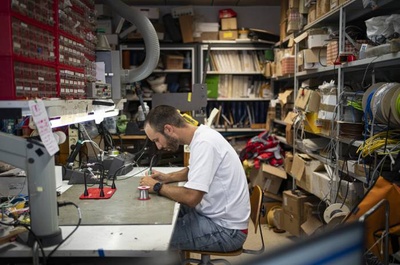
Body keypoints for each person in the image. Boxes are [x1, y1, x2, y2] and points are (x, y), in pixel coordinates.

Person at [139, 105, 250, 252]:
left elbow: (192, 198)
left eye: (157, 140)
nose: (158, 146)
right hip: (217, 215)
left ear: (168, 129)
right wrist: (167, 177)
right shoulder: (202, 135)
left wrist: (157, 187)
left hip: (227, 230)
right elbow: (194, 169)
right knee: (163, 214)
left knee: (153, 239)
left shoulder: (205, 143)